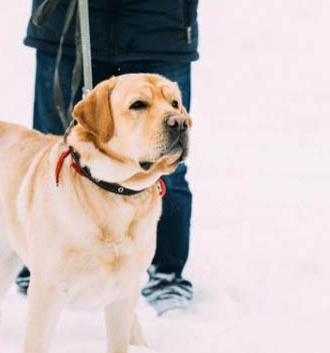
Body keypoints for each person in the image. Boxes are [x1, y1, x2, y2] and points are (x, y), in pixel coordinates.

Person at [16, 0, 199, 315]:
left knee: (165, 163)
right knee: (52, 156)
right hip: (69, 22)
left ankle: (167, 275)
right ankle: (43, 260)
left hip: (159, 27)